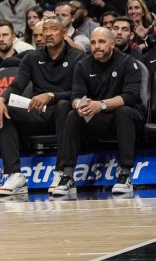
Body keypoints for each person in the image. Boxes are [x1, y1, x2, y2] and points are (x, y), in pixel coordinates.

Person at [0, 17, 83, 196]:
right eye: (45, 30)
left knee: (64, 106)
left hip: (66, 114)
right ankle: (14, 175)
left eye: (53, 29)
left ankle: (62, 173)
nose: (48, 34)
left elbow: (79, 93)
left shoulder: (78, 58)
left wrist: (52, 96)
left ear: (64, 33)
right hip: (39, 113)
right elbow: (16, 86)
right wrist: (0, 100)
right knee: (5, 110)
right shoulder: (32, 57)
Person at [52, 28, 146, 197]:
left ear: (112, 43)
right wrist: (80, 105)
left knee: (123, 112)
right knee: (73, 115)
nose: (97, 46)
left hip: (129, 118)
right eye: (93, 42)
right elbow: (75, 96)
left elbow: (131, 96)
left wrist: (101, 105)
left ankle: (125, 174)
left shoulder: (128, 63)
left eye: (101, 42)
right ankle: (67, 175)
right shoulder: (83, 65)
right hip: (99, 117)